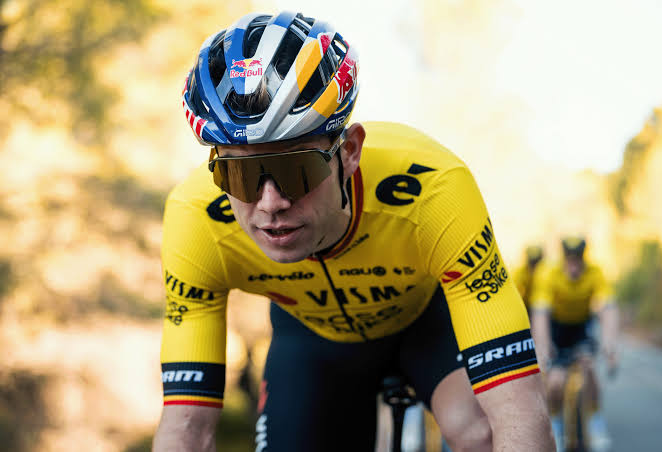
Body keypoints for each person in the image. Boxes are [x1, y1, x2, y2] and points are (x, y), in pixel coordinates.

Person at [153, 11, 554, 452]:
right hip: (312, 341)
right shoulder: (197, 219)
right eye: (239, 175)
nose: (270, 203)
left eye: (296, 170)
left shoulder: (434, 188)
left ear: (349, 151)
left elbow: (520, 411)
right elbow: (187, 430)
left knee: (481, 433)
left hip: (426, 323)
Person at [531, 237, 619, 451]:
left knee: (589, 368)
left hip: (581, 327)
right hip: (557, 329)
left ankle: (596, 420)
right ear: (564, 259)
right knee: (555, 382)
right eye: (569, 261)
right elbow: (541, 314)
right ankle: (555, 425)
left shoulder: (595, 272)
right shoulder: (548, 273)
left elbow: (608, 310)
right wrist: (542, 348)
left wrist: (610, 346)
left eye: (577, 261)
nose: (573, 266)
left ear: (583, 259)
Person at [513, 244, 544, 314]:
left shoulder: (546, 273)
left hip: (538, 306)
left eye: (536, 263)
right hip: (523, 305)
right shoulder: (519, 273)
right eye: (532, 263)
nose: (534, 267)